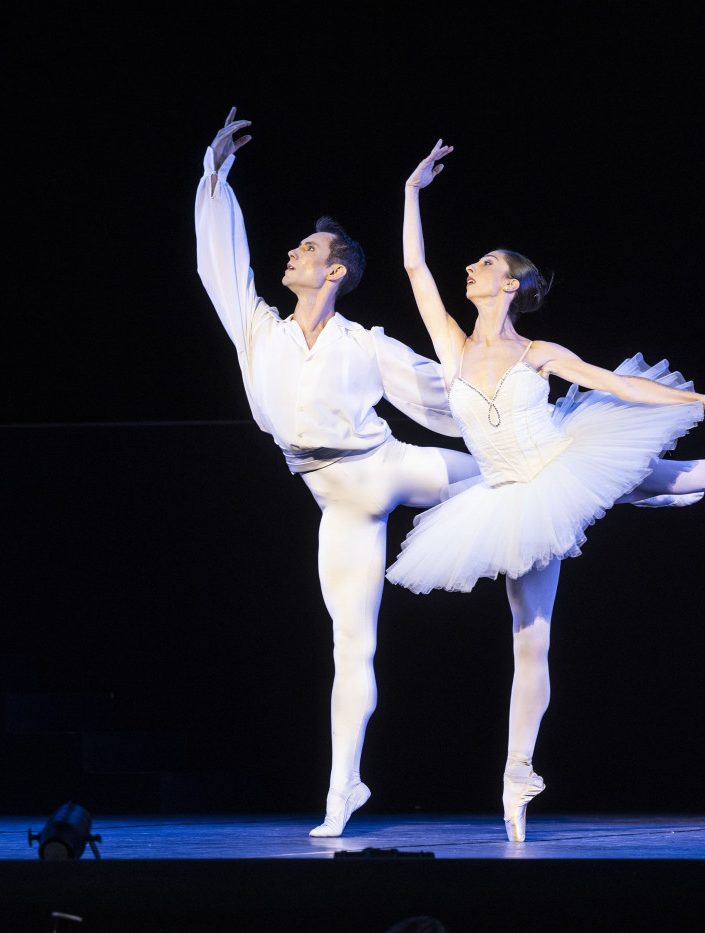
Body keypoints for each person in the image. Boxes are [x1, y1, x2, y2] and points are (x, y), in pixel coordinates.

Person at [387, 141, 705, 841]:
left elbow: (616, 385)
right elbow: (413, 264)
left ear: (509, 286)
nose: (470, 268)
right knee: (530, 641)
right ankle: (516, 776)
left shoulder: (541, 353)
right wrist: (411, 188)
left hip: (569, 465)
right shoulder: (450, 341)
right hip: (511, 499)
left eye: (485, 264)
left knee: (697, 473)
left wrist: (697, 397)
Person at [195, 109, 479, 837]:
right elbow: (219, 263)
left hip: (389, 466)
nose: (294, 250)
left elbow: (439, 392)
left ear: (336, 269)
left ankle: (644, 477)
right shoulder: (259, 330)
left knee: (513, 469)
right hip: (339, 506)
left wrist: (508, 405)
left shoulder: (365, 343)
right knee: (351, 643)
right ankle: (342, 789)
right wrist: (216, 172)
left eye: (308, 246)